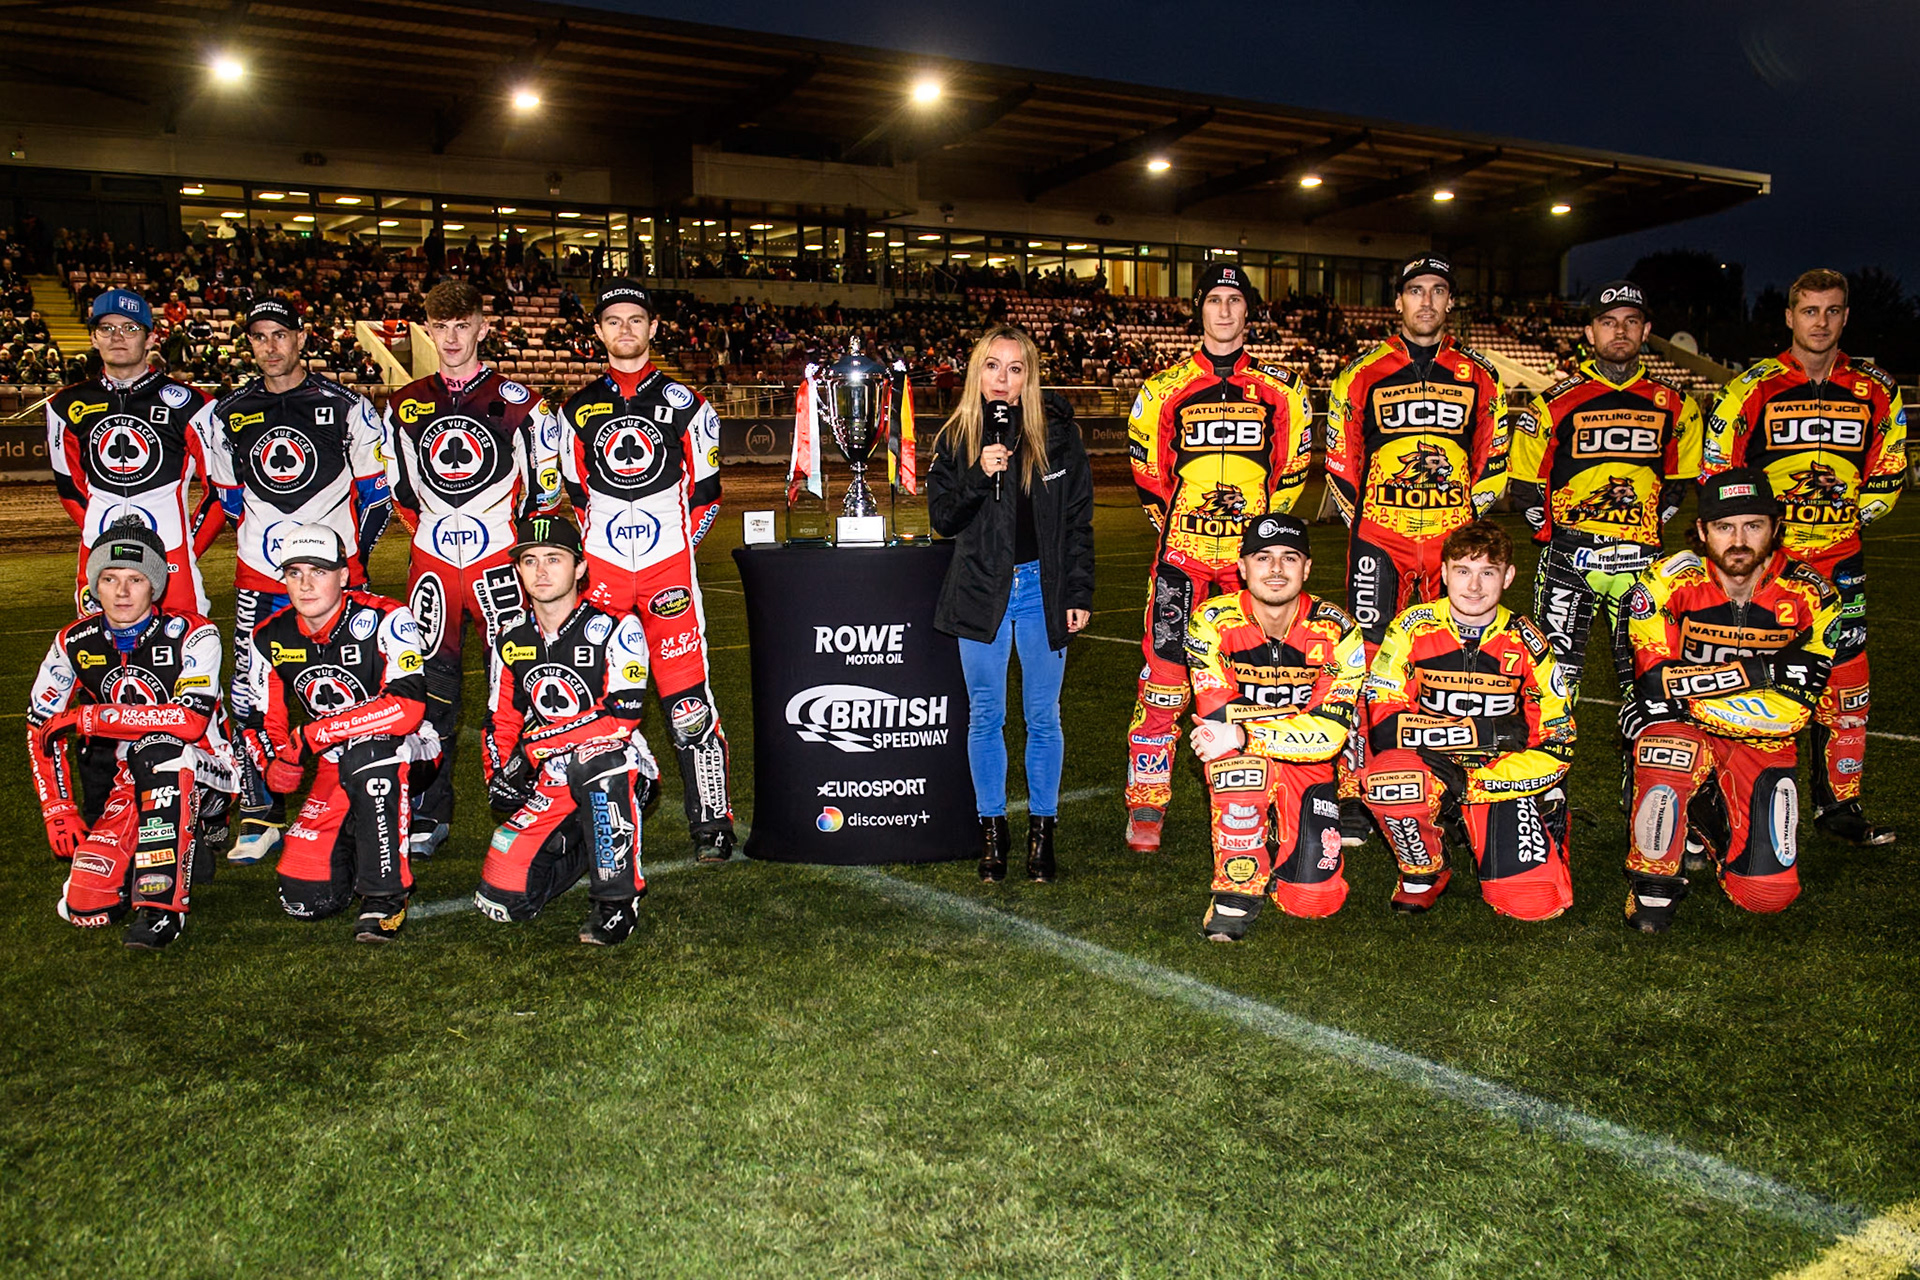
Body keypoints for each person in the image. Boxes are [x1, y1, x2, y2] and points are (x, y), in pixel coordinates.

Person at [1701, 269, 1906, 846]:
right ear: (1789, 317)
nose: (1821, 322)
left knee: (1846, 675)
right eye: (1810, 311)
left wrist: (1858, 513)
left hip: (1842, 558)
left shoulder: (1877, 388)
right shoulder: (1752, 387)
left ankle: (1839, 805)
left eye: (1833, 311)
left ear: (1846, 317)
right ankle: (1722, 796)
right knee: (1743, 671)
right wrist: (1751, 541)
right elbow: (1718, 468)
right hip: (1770, 565)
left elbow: (1890, 463)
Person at [1121, 263, 1313, 853]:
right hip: (1182, 562)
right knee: (1164, 685)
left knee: (1261, 689)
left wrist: (1257, 544)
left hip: (1249, 572)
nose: (1224, 311)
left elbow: (1293, 471)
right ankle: (1146, 809)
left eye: (1235, 300)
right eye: (1214, 301)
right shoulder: (1163, 387)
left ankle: (1268, 806)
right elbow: (1147, 473)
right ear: (1198, 310)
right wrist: (1184, 525)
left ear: (1248, 312)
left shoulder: (1284, 389)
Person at [1326, 254, 1509, 844]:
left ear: (1450, 302)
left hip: (1453, 544)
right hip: (1380, 539)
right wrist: (1370, 522)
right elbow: (1340, 457)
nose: (1426, 301)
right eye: (1415, 291)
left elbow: (1494, 458)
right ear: (1397, 302)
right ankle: (1357, 789)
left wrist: (1463, 529)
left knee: (1454, 660)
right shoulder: (1360, 372)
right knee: (1368, 660)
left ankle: (1453, 786)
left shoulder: (1480, 374)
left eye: (1437, 291)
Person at [206, 296, 393, 864]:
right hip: (262, 578)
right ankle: (261, 813)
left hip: (340, 580)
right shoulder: (227, 412)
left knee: (361, 689)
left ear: (302, 337)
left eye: (280, 334)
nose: (270, 346)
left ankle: (367, 797)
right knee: (251, 695)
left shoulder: (347, 406)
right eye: (259, 336)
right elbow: (230, 499)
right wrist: (276, 550)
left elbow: (377, 495)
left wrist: (340, 561)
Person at [555, 278, 734, 861]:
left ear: (653, 328)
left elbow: (706, 496)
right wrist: (596, 559)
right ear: (599, 331)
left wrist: (674, 554)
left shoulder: (688, 403)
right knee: (586, 699)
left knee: (688, 704)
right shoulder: (575, 409)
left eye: (636, 320)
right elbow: (577, 497)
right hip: (601, 575)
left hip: (668, 576)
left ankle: (712, 823)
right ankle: (584, 818)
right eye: (614, 321)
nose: (625, 330)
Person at [1619, 468, 1841, 932]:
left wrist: (1697, 682)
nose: (1738, 540)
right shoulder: (1665, 581)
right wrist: (1759, 672)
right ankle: (1653, 880)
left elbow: (1797, 700)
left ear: (1775, 528)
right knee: (1670, 753)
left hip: (1763, 733)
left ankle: (1707, 819)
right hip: (1682, 725)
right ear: (1702, 532)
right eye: (1724, 527)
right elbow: (1656, 683)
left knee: (1766, 895)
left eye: (1752, 525)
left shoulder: (1812, 596)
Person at [385, 280, 562, 860]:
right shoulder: (404, 402)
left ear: (483, 327)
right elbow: (401, 493)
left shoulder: (521, 402)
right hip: (433, 567)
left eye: (463, 325)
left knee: (515, 688)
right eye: (442, 326)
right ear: (428, 330)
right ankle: (428, 812)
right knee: (429, 695)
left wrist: (514, 551)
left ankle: (524, 803)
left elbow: (546, 492)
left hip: (498, 563)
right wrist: (432, 539)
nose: (453, 337)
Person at [928, 325, 1095, 883]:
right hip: (981, 592)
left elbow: (1077, 523)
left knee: (1043, 717)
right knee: (986, 716)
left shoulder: (1060, 437)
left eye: (1016, 368)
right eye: (993, 367)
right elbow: (942, 520)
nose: (1003, 379)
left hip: (1042, 591)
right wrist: (980, 473)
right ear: (977, 373)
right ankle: (992, 836)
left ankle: (1041, 837)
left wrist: (1077, 592)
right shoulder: (955, 439)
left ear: (1030, 376)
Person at [27, 520, 237, 949]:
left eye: (136, 580)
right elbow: (39, 725)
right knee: (86, 907)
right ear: (94, 586)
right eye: (110, 579)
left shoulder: (196, 634)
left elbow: (189, 723)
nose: (122, 592)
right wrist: (58, 808)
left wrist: (90, 718)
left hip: (204, 764)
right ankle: (175, 845)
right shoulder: (72, 641)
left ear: (154, 586)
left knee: (158, 749)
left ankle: (162, 911)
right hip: (128, 776)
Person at [1362, 520, 1576, 920]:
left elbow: (1557, 737)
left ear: (1508, 577)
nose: (1474, 586)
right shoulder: (1411, 628)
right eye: (1462, 570)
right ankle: (1423, 872)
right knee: (1392, 778)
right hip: (1428, 762)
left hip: (1499, 772)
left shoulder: (1528, 641)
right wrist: (1484, 732)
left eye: (1488, 573)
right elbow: (1384, 723)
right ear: (1443, 574)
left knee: (1532, 905)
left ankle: (1539, 811)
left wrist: (1479, 783)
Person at [237, 525, 434, 942]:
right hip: (332, 761)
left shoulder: (387, 616)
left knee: (370, 754)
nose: (306, 584)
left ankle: (386, 897)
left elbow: (408, 708)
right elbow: (257, 718)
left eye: (320, 571)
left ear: (344, 576)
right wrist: (272, 760)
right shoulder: (269, 635)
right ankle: (354, 834)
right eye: (294, 573)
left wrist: (314, 734)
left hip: (408, 748)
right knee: (305, 899)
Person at [1508, 279, 1702, 691]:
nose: (1620, 331)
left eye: (1631, 322)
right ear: (1590, 332)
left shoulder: (1678, 405)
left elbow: (1678, 486)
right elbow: (1525, 485)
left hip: (1642, 560)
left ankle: (1647, 757)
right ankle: (1549, 758)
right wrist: (1558, 538)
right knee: (1555, 680)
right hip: (1570, 557)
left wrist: (1646, 532)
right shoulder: (1552, 403)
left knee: (1648, 679)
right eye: (1608, 322)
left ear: (1646, 332)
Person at [474, 514, 659, 945]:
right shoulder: (509, 635)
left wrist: (534, 748)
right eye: (530, 561)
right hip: (549, 775)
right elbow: (499, 718)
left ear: (579, 568)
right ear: (518, 570)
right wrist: (499, 774)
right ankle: (578, 837)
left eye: (553, 559)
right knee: (504, 898)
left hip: (620, 761)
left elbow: (622, 717)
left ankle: (617, 902)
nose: (541, 571)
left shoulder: (616, 625)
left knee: (597, 761)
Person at [1185, 515, 1366, 938]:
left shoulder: (1338, 629)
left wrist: (1248, 732)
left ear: (1306, 568)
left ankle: (1283, 834)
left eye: (1289, 557)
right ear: (1242, 567)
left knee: (1312, 902)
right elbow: (1216, 718)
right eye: (1262, 557)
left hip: (1310, 762)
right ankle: (1237, 888)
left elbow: (1331, 733)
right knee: (1233, 763)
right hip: (1245, 755)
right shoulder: (1210, 621)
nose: (1276, 569)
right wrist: (1249, 734)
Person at [45, 288, 223, 617]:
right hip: (99, 553)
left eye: (130, 328)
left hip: (171, 554)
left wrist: (187, 547)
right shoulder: (64, 406)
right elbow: (70, 488)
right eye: (107, 329)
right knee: (98, 657)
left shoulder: (194, 404)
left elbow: (219, 491)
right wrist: (105, 538)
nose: (118, 337)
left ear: (151, 338)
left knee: (184, 653)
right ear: (94, 338)